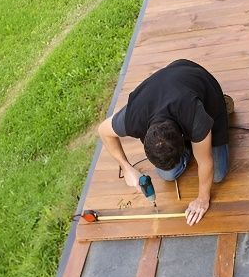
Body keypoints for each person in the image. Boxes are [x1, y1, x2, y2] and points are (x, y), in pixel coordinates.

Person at [98, 59, 233, 225]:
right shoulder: (135, 117)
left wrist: (202, 199)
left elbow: (205, 163)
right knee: (167, 174)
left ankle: (222, 109)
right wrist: (127, 168)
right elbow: (103, 131)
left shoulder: (193, 115)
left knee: (218, 175)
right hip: (166, 86)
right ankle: (197, 144)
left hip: (203, 88)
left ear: (184, 139)